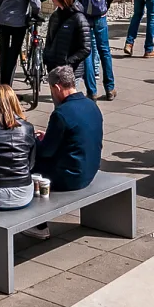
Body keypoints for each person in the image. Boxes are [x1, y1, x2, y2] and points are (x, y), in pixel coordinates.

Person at [31, 65, 104, 230]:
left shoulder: (61, 113)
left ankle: (38, 225)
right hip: (90, 168)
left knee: (30, 169)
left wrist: (33, 141)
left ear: (57, 87)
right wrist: (48, 138)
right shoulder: (92, 105)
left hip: (71, 176)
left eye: (51, 89)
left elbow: (46, 152)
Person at [60, 0, 116, 100]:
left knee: (88, 52)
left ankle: (92, 91)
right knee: (104, 50)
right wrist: (106, 6)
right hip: (100, 14)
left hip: (83, 15)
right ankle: (110, 88)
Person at [41, 0, 92, 83]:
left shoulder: (79, 18)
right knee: (57, 99)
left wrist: (68, 63)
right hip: (54, 70)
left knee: (67, 98)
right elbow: (49, 40)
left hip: (70, 72)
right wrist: (46, 57)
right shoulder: (55, 16)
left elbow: (85, 48)